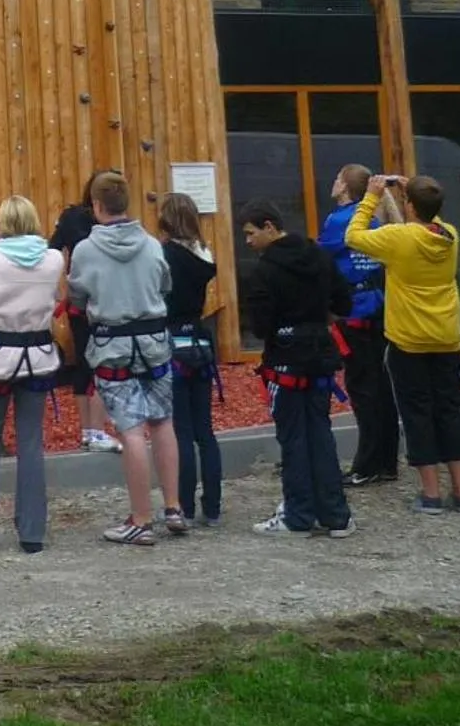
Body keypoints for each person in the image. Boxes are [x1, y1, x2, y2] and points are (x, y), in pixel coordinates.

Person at [67, 170, 185, 546]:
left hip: (113, 347)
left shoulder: (86, 250)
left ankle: (140, 519)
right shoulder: (152, 244)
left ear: (97, 206)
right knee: (163, 421)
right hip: (153, 343)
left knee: (132, 430)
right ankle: (174, 507)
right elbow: (165, 285)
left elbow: (77, 298)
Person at [347, 174, 460, 515]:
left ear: (409, 206)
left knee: (417, 413)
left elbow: (354, 236)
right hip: (445, 337)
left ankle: (431, 494)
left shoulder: (398, 237)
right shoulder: (449, 236)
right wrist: (415, 192)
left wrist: (371, 196)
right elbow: (431, 222)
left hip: (409, 340)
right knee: (449, 410)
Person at [240, 199, 355, 539]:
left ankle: (298, 515)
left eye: (250, 233)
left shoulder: (264, 270)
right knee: (320, 433)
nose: (247, 241)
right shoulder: (319, 256)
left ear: (269, 227)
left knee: (293, 438)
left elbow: (260, 326)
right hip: (319, 352)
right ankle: (336, 515)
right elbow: (344, 302)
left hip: (285, 357)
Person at [0, 195, 64, 553]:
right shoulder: (53, 260)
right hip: (37, 358)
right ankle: (32, 532)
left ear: (1, 224)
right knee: (30, 442)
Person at [317, 162, 400, 487]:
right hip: (379, 305)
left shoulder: (339, 220)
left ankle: (365, 465)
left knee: (362, 387)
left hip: (354, 311)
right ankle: (387, 461)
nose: (333, 181)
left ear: (346, 186)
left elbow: (321, 257)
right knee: (382, 384)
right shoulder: (375, 219)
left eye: (338, 177)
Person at [158, 192, 222, 528]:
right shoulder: (204, 254)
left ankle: (182, 503)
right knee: (205, 430)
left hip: (171, 338)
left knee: (179, 428)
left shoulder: (164, 256)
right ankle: (212, 505)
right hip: (199, 337)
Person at [50, 176, 123, 455]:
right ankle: (96, 429)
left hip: (80, 300)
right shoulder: (105, 223)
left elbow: (52, 249)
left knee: (85, 361)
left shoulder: (70, 218)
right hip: (105, 300)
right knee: (102, 362)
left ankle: (89, 429)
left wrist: (61, 282)